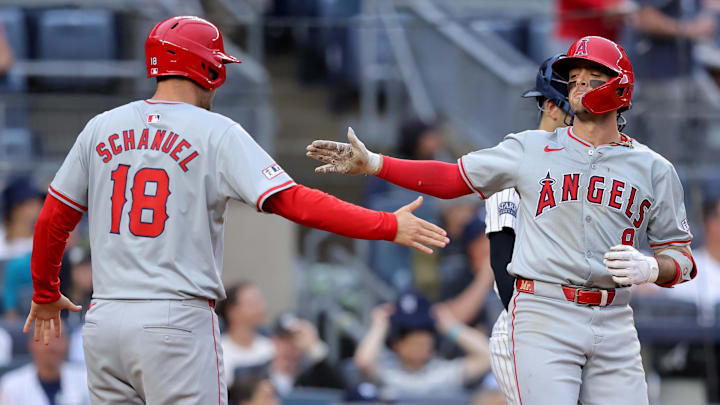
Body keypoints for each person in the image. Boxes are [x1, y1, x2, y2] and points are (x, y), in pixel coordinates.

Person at [22, 16, 449, 405]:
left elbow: (52, 220)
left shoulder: (102, 126)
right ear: (207, 68)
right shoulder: (217, 132)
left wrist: (44, 293)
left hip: (105, 320)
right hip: (175, 320)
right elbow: (293, 201)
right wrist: (386, 224)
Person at [307, 36, 696, 405]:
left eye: (590, 78)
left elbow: (682, 260)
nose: (577, 86)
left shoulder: (653, 169)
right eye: (573, 79)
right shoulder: (530, 148)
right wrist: (376, 163)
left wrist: (649, 268)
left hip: (614, 314)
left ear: (619, 86)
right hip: (545, 309)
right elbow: (450, 178)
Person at [483, 54, 573, 405]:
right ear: (551, 106)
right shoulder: (512, 160)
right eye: (578, 111)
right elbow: (502, 262)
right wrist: (535, 333)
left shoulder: (589, 164)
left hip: (579, 324)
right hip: (527, 328)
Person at [353, 292, 491, 399]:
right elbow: (363, 362)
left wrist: (451, 325)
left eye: (424, 341)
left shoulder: (444, 371)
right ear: (396, 344)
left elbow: (488, 357)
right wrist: (379, 325)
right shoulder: (386, 372)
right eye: (412, 341)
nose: (420, 347)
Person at [0, 321, 90, 405]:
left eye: (58, 338)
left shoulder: (86, 379)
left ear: (67, 343)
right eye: (45, 338)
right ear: (31, 344)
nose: (52, 346)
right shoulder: (11, 385)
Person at [269, 313, 343, 394]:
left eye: (296, 340)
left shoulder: (314, 376)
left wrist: (315, 348)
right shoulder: (259, 375)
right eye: (284, 339)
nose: (289, 347)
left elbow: (340, 393)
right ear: (273, 340)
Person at [218, 282, 275, 385]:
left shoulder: (271, 348)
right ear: (232, 311)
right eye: (252, 303)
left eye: (260, 301)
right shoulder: (218, 351)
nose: (261, 307)